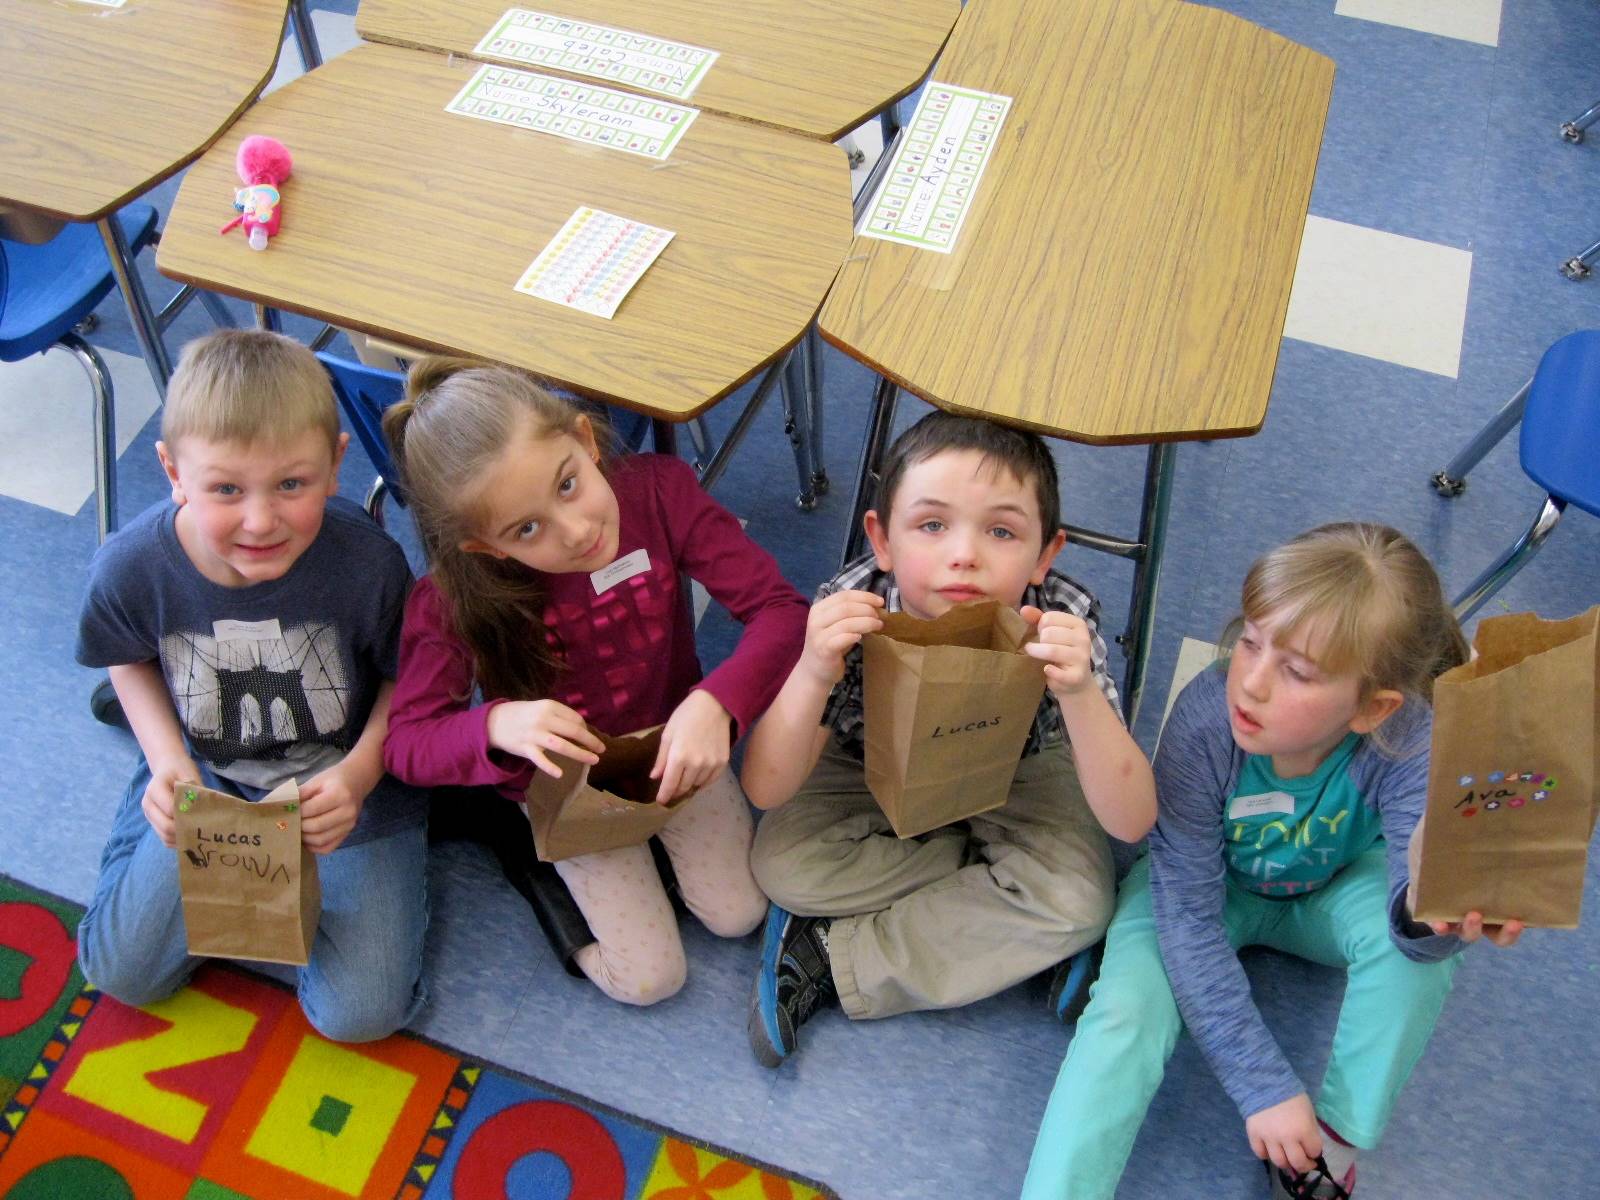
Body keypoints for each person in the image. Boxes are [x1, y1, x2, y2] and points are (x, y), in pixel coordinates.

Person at [1020, 523, 1526, 1200]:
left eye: (1295, 671)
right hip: (1203, 891)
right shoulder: (1206, 723)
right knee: (1126, 1012)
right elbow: (1191, 922)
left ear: (1373, 709)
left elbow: (1414, 910)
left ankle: (1330, 1142)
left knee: (1413, 954)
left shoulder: (1411, 738)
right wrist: (1263, 1086)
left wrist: (1429, 917)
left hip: (1331, 890)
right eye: (1251, 643)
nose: (1250, 685)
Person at [381, 359, 805, 1006]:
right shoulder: (449, 600)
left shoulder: (659, 492)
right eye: (527, 529)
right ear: (485, 548)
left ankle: (633, 862)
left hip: (670, 744)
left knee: (738, 914)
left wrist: (718, 704)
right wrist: (494, 724)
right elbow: (407, 745)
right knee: (649, 980)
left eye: (570, 484)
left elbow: (781, 612)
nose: (575, 532)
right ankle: (539, 871)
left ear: (585, 439)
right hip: (564, 789)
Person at [741, 411, 1154, 1066]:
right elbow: (765, 786)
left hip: (1019, 770)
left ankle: (829, 954)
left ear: (1046, 554)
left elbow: (1132, 821)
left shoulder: (1059, 615)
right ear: (882, 540)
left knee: (1079, 902)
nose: (964, 554)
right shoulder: (855, 604)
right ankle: (994, 898)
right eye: (931, 525)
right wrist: (815, 669)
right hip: (868, 761)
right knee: (780, 865)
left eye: (1001, 531)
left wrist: (1077, 693)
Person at [75, 329, 430, 1042]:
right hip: (210, 777)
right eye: (226, 489)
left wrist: (360, 774)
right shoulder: (130, 567)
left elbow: (412, 684)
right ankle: (154, 774)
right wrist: (171, 762)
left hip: (347, 791)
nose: (261, 521)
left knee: (358, 1017)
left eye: (290, 484)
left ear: (335, 466)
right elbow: (127, 656)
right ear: (173, 471)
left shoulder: (369, 563)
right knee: (121, 973)